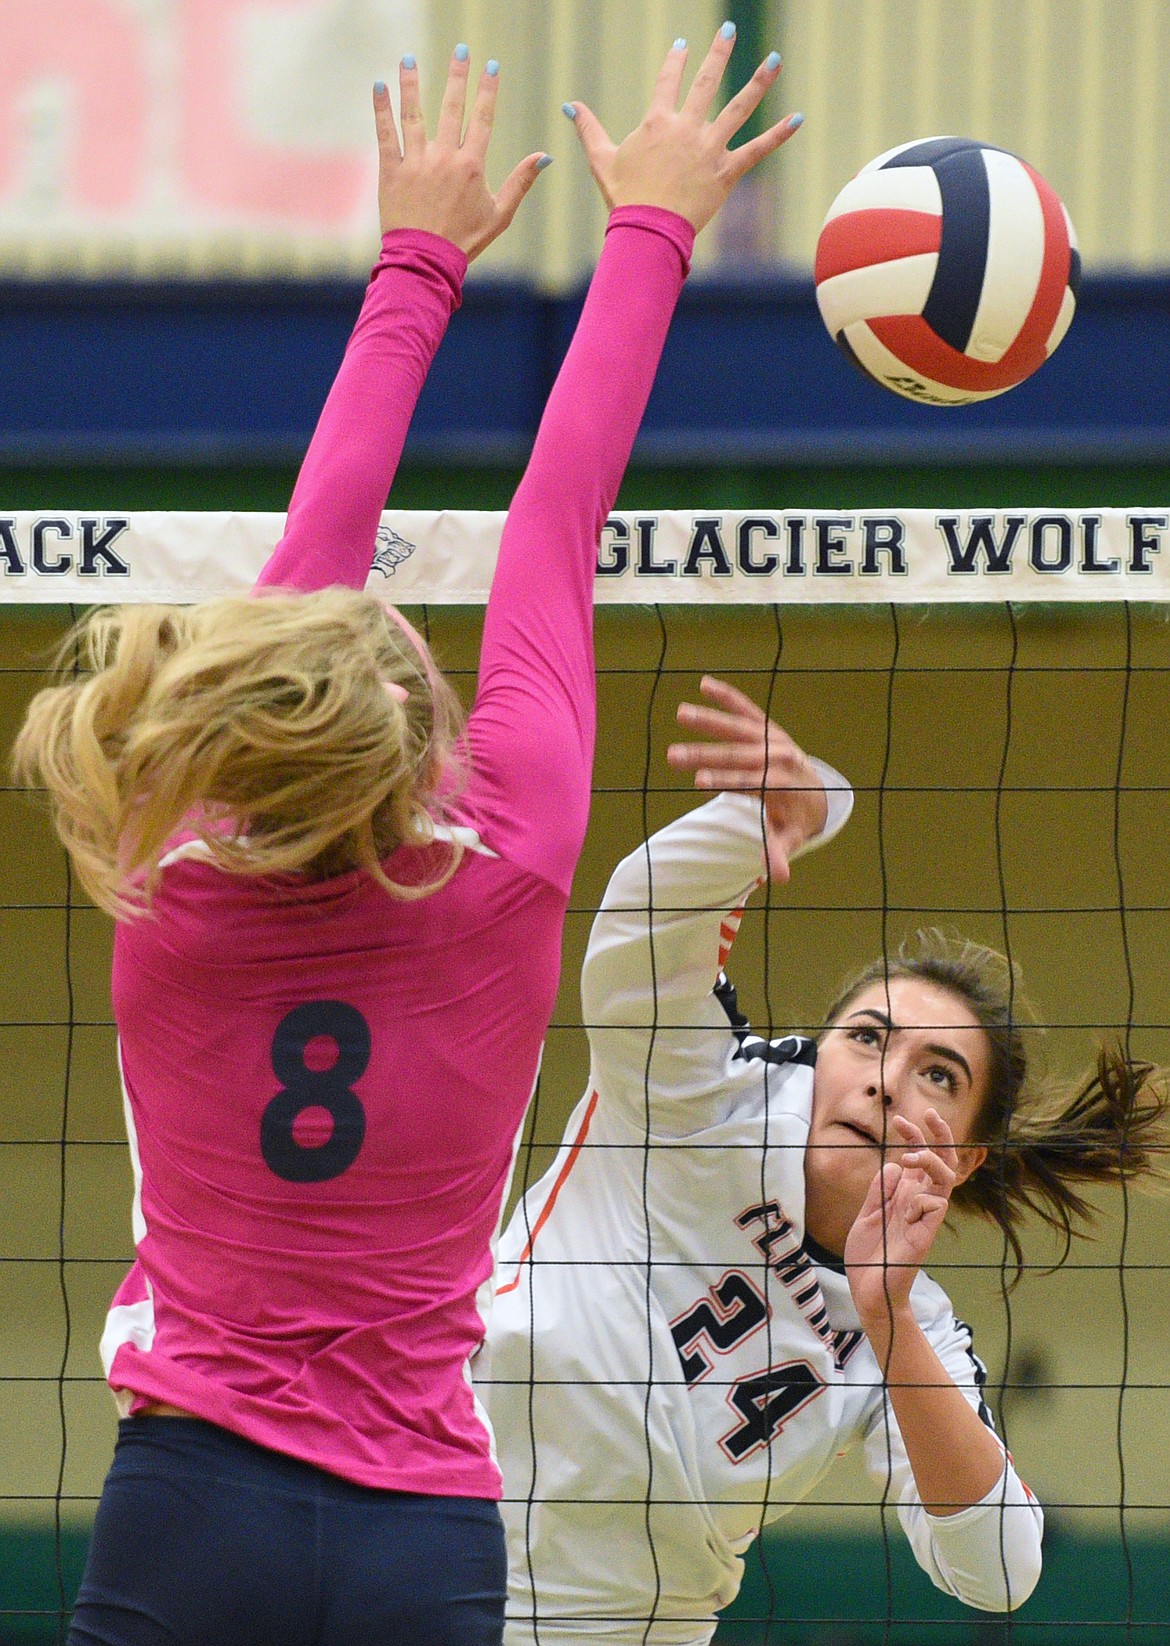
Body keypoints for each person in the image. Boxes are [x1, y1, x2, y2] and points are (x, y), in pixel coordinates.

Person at [13, 32, 802, 1646]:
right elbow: (555, 523)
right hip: (427, 1527)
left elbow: (332, 545)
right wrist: (650, 228)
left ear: (241, 743)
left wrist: (416, 260)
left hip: (188, 1505)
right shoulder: (509, 855)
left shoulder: (167, 881)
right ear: (422, 729)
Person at [478, 675, 1170, 1646]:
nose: (886, 1081)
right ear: (821, 1051)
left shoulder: (911, 1325)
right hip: (432, 1532)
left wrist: (886, 1319)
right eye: (867, 1037)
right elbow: (638, 939)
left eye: (937, 1071)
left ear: (965, 1153)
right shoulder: (707, 1094)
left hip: (632, 1625)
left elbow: (1000, 1570)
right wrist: (768, 822)